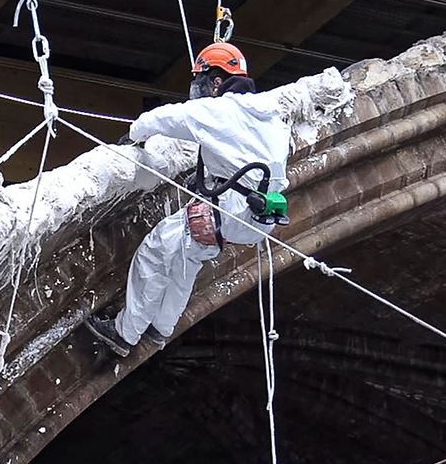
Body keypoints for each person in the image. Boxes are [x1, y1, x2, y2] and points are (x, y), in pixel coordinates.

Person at [86, 42, 292, 356]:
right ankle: (160, 328)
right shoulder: (271, 119)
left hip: (227, 209)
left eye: (201, 82)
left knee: (154, 253)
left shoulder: (220, 109)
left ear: (217, 81)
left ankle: (123, 333)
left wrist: (136, 133)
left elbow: (168, 118)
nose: (198, 89)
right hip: (261, 216)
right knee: (188, 257)